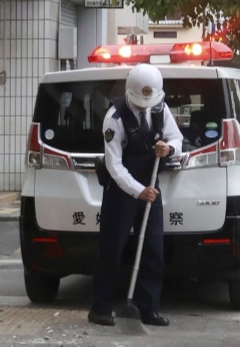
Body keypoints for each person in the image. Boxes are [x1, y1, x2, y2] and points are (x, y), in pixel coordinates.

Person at [89, 64, 183, 327]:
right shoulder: (114, 118)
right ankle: (100, 308)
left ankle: (148, 308)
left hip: (151, 186)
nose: (145, 108)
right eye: (141, 104)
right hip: (123, 192)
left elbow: (177, 137)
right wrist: (138, 191)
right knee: (112, 248)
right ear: (130, 94)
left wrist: (168, 147)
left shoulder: (160, 108)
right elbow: (114, 166)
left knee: (153, 247)